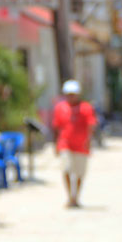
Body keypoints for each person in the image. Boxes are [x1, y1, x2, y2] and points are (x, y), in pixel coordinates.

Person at [51, 80, 96, 208]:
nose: (71, 96)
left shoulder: (86, 107)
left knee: (79, 172)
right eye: (68, 94)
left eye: (73, 94)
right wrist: (55, 144)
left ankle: (76, 197)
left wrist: (89, 140)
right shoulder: (60, 108)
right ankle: (70, 196)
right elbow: (56, 127)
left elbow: (91, 124)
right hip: (65, 143)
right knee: (66, 169)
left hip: (81, 145)